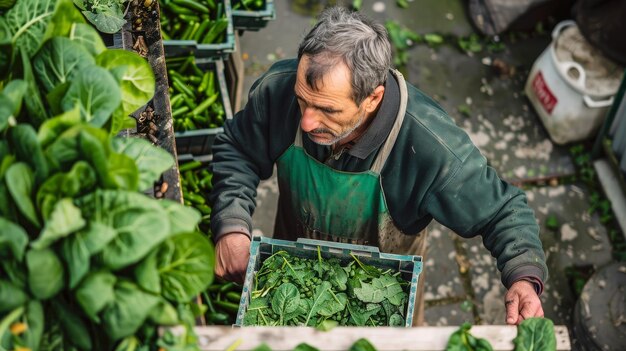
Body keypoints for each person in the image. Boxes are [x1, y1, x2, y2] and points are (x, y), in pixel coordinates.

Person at [209, 6, 548, 326]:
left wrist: (522, 277)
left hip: (385, 293)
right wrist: (232, 224)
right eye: (303, 101)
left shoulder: (430, 146)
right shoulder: (278, 90)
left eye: (327, 110)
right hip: (294, 274)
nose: (308, 122)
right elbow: (238, 147)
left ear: (372, 98)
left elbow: (502, 211)